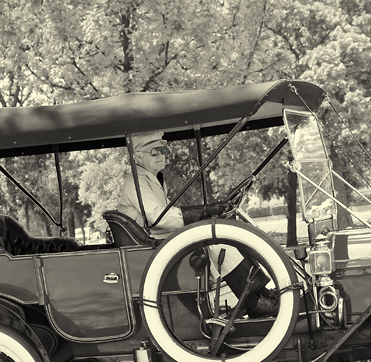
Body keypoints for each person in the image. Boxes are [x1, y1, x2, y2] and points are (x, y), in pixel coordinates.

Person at [117, 131, 278, 318]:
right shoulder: (136, 182)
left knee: (227, 238)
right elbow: (159, 218)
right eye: (154, 151)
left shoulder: (152, 179)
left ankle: (262, 294)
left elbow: (165, 215)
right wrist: (204, 211)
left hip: (158, 238)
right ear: (137, 156)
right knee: (218, 242)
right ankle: (252, 303)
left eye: (161, 150)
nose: (161, 154)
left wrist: (205, 212)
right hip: (150, 244)